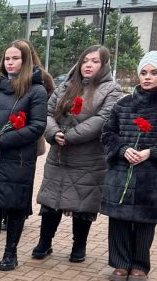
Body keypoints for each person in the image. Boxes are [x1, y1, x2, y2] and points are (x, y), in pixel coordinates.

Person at [34, 45, 122, 262]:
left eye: (95, 61)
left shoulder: (112, 89)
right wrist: (54, 132)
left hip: (88, 157)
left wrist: (71, 135)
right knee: (51, 200)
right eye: (85, 60)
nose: (88, 65)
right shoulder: (66, 85)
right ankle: (45, 242)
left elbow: (103, 119)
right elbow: (47, 112)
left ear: (104, 65)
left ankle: (78, 246)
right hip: (59, 155)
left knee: (84, 202)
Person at [0, 40, 48, 271]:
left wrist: (2, 140)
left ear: (26, 61)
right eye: (7, 58)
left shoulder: (36, 90)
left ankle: (10, 253)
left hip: (17, 158)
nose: (10, 62)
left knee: (15, 205)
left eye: (16, 58)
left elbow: (37, 126)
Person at [100, 51, 157, 281]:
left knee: (145, 220)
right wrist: (123, 149)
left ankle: (140, 265)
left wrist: (150, 152)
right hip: (122, 173)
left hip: (150, 175)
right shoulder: (123, 104)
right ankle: (120, 263)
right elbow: (107, 133)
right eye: (143, 72)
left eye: (154, 73)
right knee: (120, 218)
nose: (147, 77)